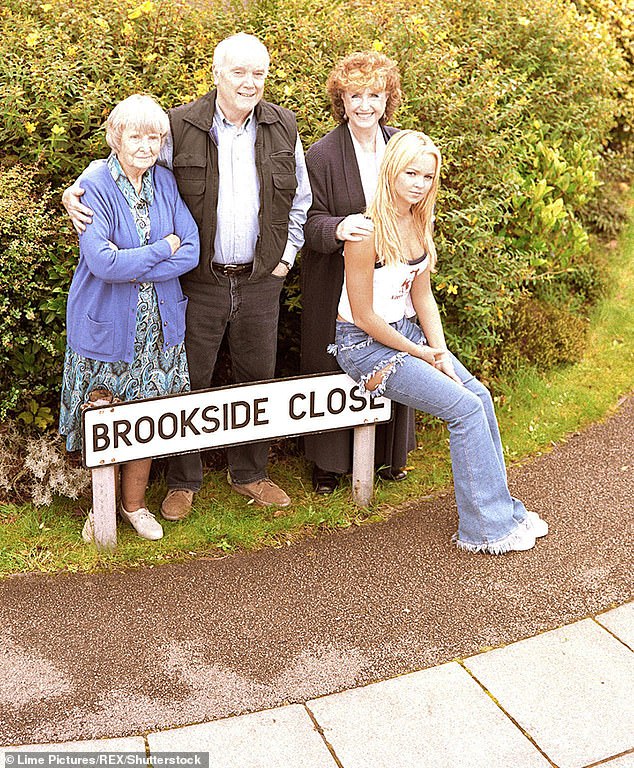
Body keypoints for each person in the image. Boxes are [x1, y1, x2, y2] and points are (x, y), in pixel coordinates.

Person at [63, 33, 312, 521]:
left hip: (261, 278)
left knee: (256, 379)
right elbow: (134, 162)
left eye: (258, 73)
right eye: (239, 71)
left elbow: (299, 198)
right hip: (198, 281)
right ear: (217, 73)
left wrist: (287, 255)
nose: (249, 82)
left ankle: (250, 473)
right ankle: (183, 481)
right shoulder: (180, 125)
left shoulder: (284, 125)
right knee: (186, 384)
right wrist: (76, 191)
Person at [331, 130, 549, 553]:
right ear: (391, 169)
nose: (418, 183)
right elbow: (363, 316)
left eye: (427, 176)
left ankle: (502, 510)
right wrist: (420, 353)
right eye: (411, 173)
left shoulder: (417, 219)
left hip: (408, 332)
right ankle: (485, 531)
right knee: (464, 411)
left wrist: (441, 351)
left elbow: (423, 296)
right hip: (364, 345)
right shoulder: (365, 233)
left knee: (479, 396)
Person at [59, 94, 200, 542]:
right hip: (106, 325)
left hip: (158, 329)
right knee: (105, 416)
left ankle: (133, 506)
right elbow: (103, 263)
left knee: (149, 417)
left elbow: (192, 250)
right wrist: (163, 249)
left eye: (154, 136)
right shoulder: (94, 184)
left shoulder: (164, 180)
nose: (145, 145)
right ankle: (100, 505)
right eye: (135, 135)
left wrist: (138, 258)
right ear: (115, 137)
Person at [301, 51, 416, 494]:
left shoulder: (402, 144)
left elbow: (420, 202)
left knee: (393, 351)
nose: (365, 104)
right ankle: (328, 465)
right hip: (335, 280)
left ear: (388, 97)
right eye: (355, 95)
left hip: (393, 278)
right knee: (333, 364)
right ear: (341, 100)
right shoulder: (322, 154)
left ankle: (390, 456)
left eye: (374, 94)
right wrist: (339, 226)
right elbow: (306, 223)